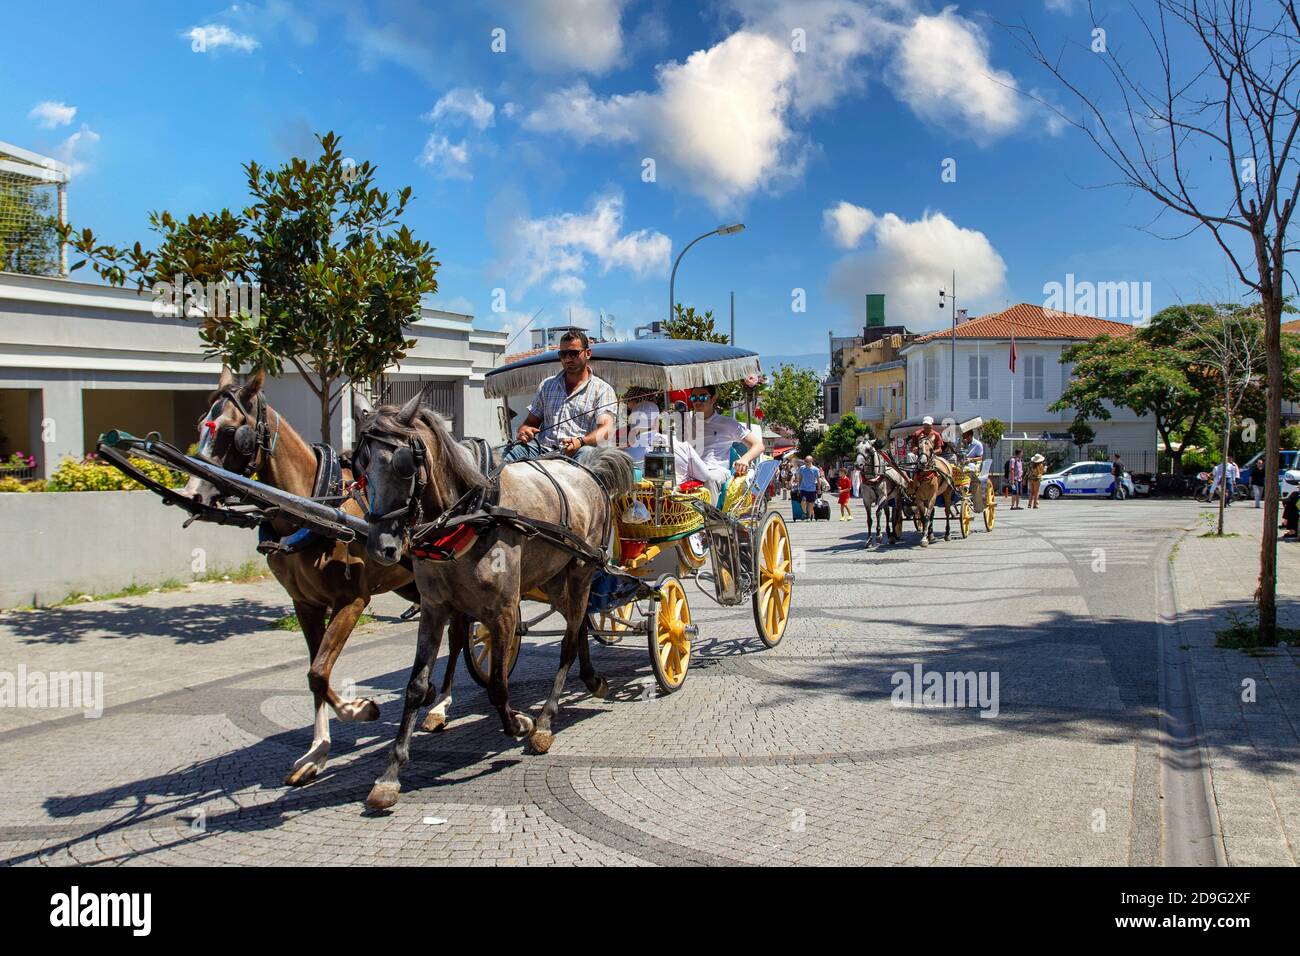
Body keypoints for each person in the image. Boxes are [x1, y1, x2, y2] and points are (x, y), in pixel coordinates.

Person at [506, 329, 616, 463]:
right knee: (512, 451)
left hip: (580, 452)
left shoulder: (602, 390)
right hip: (545, 450)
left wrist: (580, 441)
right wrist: (524, 430)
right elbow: (530, 423)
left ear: (588, 353)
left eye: (574, 353)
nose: (568, 359)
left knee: (586, 453)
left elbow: (606, 430)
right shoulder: (547, 385)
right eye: (563, 354)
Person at [624, 399, 726, 493]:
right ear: (656, 421)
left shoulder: (624, 454)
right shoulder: (680, 443)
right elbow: (704, 476)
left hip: (639, 507)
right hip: (678, 507)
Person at [688, 385, 764, 477]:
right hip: (691, 471)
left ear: (713, 399)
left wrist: (744, 459)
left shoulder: (727, 423)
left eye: (703, 397)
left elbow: (758, 445)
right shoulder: (687, 422)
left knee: (710, 478)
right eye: (693, 398)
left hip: (715, 471)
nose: (698, 401)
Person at [797, 455, 822, 520]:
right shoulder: (802, 468)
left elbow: (818, 479)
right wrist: (798, 487)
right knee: (803, 501)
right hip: (803, 488)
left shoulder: (815, 469)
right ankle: (805, 512)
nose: (806, 462)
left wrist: (819, 489)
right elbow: (800, 478)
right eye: (805, 461)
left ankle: (809, 516)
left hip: (812, 489)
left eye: (807, 461)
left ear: (811, 461)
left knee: (811, 504)